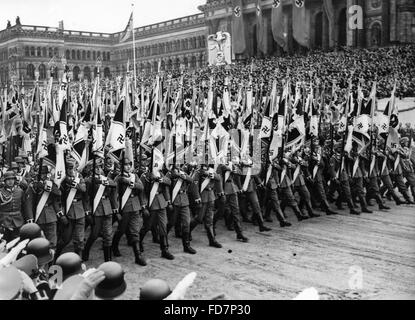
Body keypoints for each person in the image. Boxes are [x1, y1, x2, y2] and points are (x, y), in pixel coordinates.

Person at [112, 158, 147, 266]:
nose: (128, 166)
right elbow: (114, 195)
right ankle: (114, 245)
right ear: (121, 166)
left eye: (129, 164)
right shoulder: (118, 178)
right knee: (121, 230)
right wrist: (116, 210)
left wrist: (131, 184)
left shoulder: (134, 176)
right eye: (125, 164)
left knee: (135, 230)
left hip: (135, 206)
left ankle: (138, 256)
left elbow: (141, 187)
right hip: (125, 207)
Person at [83, 158, 117, 262]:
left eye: (99, 167)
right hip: (96, 209)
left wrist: (103, 181)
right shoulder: (88, 181)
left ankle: (108, 259)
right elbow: (86, 198)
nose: (98, 169)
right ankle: (86, 250)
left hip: (107, 208)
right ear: (90, 169)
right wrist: (87, 212)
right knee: (94, 234)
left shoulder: (104, 178)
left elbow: (114, 184)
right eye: (96, 167)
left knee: (108, 234)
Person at [139, 165, 174, 260]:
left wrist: (168, 201)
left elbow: (168, 183)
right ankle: (139, 243)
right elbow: (142, 192)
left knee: (163, 226)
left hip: (161, 202)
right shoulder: (145, 176)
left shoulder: (161, 174)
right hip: (151, 203)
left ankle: (165, 250)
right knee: (147, 226)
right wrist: (143, 206)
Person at [25, 165, 62, 250]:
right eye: (41, 174)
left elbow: (58, 193)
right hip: (38, 216)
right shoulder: (33, 186)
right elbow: (28, 203)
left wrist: (46, 188)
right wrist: (30, 218)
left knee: (52, 242)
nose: (42, 176)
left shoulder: (50, 184)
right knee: (39, 243)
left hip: (50, 216)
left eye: (44, 174)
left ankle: (51, 262)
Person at [56, 160, 87, 258]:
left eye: (73, 168)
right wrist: (61, 214)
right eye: (69, 168)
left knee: (79, 238)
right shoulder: (61, 181)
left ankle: (78, 259)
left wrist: (74, 184)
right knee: (65, 239)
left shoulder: (79, 177)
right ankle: (55, 256)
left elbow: (83, 189)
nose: (71, 170)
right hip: (68, 211)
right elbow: (57, 199)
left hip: (79, 209)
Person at [166, 164, 197, 254]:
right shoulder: (169, 174)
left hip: (184, 200)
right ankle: (163, 240)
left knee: (186, 223)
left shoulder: (183, 172)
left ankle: (186, 246)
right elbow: (166, 188)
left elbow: (191, 180)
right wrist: (169, 201)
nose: (179, 165)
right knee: (171, 222)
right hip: (174, 200)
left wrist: (184, 177)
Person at [0, 171, 28, 242]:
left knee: (17, 242)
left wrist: (26, 220)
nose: (10, 181)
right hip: (4, 221)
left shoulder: (20, 191)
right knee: (4, 242)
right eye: (8, 179)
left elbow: (24, 207)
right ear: (5, 181)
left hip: (18, 220)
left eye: (12, 179)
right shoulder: (1, 192)